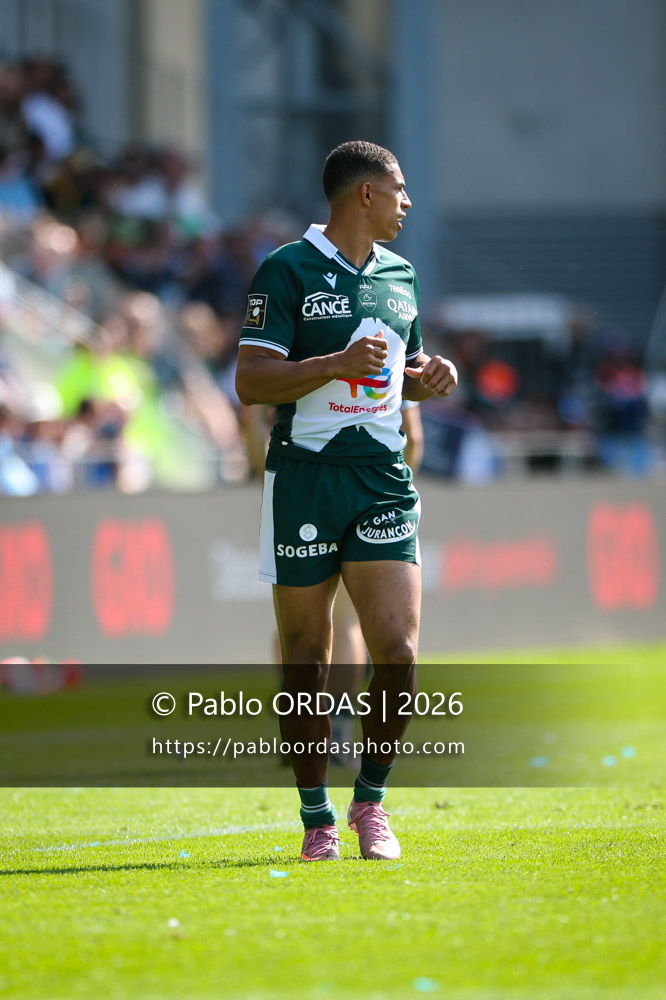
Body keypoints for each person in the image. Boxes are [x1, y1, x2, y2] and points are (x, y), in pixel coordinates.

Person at [235, 140, 457, 862]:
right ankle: (316, 820)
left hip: (382, 477)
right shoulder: (286, 269)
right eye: (400, 190)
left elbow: (400, 370)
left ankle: (371, 805)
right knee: (307, 655)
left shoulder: (402, 275)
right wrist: (333, 362)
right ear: (365, 194)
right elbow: (252, 381)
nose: (407, 203)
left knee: (398, 649)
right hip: (304, 475)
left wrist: (428, 377)